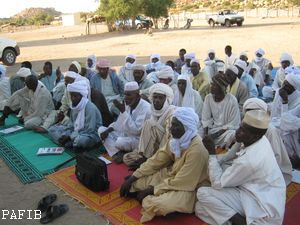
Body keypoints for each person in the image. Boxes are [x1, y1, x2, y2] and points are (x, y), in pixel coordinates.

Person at [120, 107, 210, 223]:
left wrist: (152, 190)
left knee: (157, 205)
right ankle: (155, 196)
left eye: (176, 125)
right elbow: (157, 160)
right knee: (134, 185)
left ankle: (169, 205)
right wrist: (134, 176)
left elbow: (182, 181)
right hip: (172, 176)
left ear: (187, 128)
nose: (171, 129)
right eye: (172, 124)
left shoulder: (197, 150)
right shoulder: (176, 140)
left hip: (189, 187)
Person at [196, 110, 286, 225]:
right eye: (240, 127)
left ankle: (241, 222)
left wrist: (212, 153)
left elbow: (217, 183)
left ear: (254, 136)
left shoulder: (250, 160)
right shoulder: (259, 139)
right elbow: (229, 156)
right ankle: (233, 221)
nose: (237, 132)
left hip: (261, 205)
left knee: (202, 193)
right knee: (200, 208)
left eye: (243, 131)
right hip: (258, 192)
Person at [123, 83, 176, 170]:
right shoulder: (153, 111)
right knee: (127, 158)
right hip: (152, 149)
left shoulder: (172, 113)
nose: (157, 100)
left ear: (166, 100)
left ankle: (147, 161)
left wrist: (149, 157)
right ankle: (147, 160)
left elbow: (169, 140)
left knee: (149, 123)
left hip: (166, 151)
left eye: (160, 98)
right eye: (155, 97)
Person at [242, 98, 292, 185]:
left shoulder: (271, 130)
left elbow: (276, 157)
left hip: (269, 167)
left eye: (255, 112)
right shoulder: (245, 125)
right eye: (249, 113)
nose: (252, 116)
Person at [98, 81, 151, 163]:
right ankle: (117, 153)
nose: (126, 97)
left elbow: (136, 131)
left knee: (120, 142)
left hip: (138, 140)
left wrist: (123, 112)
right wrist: (108, 130)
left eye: (129, 95)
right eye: (125, 94)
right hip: (126, 134)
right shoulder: (127, 105)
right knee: (101, 130)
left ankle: (120, 152)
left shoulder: (146, 108)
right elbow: (119, 123)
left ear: (137, 95)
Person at [48, 80, 102, 150]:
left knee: (81, 141)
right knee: (51, 130)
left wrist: (70, 137)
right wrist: (66, 135)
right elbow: (71, 125)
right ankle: (69, 143)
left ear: (82, 96)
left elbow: (89, 130)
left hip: (90, 135)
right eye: (71, 96)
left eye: (75, 96)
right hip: (75, 133)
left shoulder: (90, 108)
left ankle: (70, 143)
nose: (72, 99)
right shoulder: (74, 106)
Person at [202, 73, 240, 148]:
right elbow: (205, 119)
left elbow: (233, 124)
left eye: (214, 85)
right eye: (211, 84)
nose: (211, 87)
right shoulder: (208, 98)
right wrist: (206, 135)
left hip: (226, 132)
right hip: (213, 130)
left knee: (233, 135)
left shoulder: (232, 100)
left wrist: (214, 136)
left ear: (221, 87)